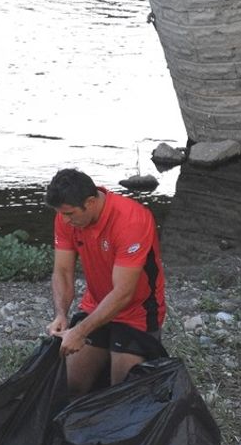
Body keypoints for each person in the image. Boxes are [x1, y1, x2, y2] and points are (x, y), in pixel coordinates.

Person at [45, 168, 167, 397]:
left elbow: (123, 293)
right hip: (96, 304)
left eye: (70, 214)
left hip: (137, 312)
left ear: (90, 202)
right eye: (61, 214)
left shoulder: (131, 220)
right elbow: (62, 271)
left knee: (122, 391)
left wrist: (80, 331)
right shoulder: (67, 216)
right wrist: (61, 314)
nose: (65, 221)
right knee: (72, 385)